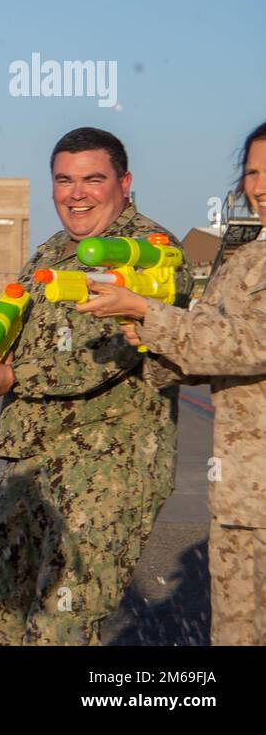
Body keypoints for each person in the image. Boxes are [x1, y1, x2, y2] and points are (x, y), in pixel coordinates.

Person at [0, 126, 192, 645]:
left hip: (109, 467)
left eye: (93, 179)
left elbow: (110, 352)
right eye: (64, 180)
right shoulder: (49, 254)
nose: (77, 193)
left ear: (124, 183)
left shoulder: (148, 253)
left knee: (61, 625)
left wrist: (15, 375)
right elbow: (16, 322)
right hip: (34, 459)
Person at [75, 121, 266, 645]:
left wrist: (147, 312)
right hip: (241, 505)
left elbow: (251, 343)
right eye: (252, 171)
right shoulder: (245, 261)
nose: (261, 185)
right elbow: (199, 350)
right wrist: (136, 326)